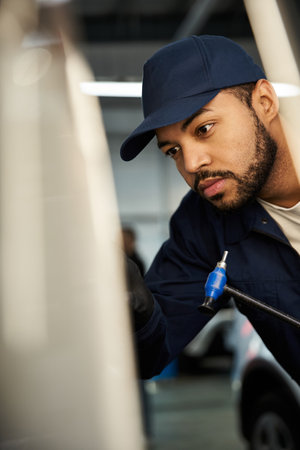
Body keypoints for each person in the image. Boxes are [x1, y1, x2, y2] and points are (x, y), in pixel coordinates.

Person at [120, 35, 300, 384]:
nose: (192, 163)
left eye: (204, 129)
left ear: (264, 102)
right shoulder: (203, 225)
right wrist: (133, 311)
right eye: (172, 150)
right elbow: (150, 353)